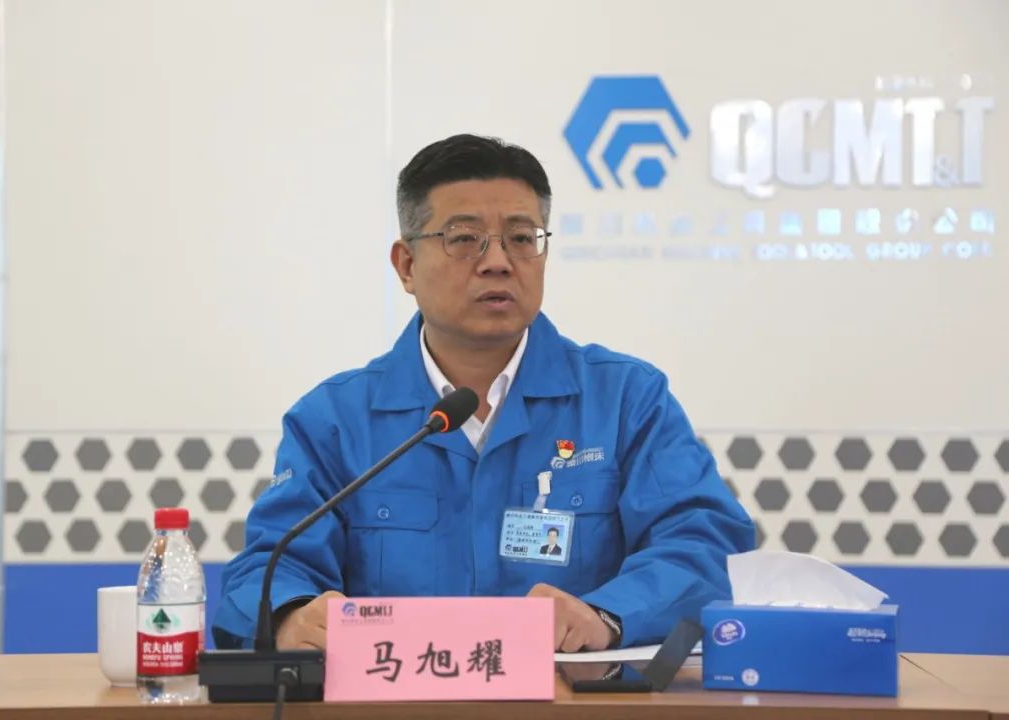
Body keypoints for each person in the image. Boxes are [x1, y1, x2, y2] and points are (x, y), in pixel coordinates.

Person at [214, 134, 755, 653]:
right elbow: (270, 564)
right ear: (406, 265)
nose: (498, 261)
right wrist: (290, 615)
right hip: (395, 699)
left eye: (521, 238)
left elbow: (704, 545)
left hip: (569, 699)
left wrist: (606, 616)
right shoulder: (335, 419)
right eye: (464, 238)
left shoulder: (625, 401)